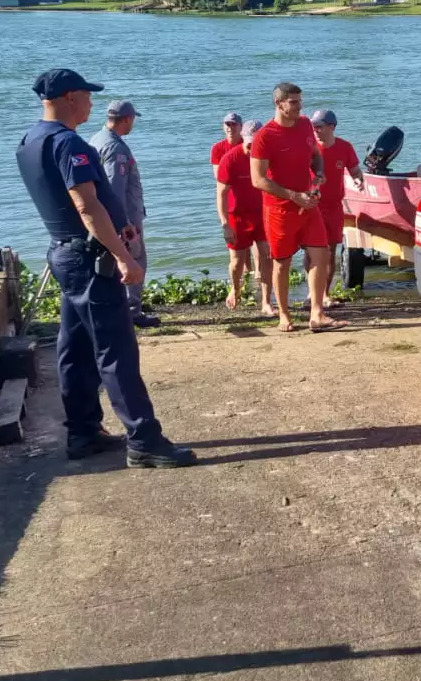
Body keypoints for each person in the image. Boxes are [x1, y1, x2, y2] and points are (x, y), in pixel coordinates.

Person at [15, 69, 196, 468]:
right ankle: (144, 439)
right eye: (86, 96)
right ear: (68, 98)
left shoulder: (30, 140)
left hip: (63, 251)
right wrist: (123, 257)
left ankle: (83, 432)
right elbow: (87, 205)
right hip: (89, 257)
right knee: (117, 349)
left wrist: (119, 221)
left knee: (75, 346)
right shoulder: (68, 144)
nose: (92, 103)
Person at [250, 83, 346, 333]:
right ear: (279, 104)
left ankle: (317, 313)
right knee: (282, 263)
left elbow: (315, 153)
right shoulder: (265, 136)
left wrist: (320, 172)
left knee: (321, 253)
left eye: (299, 101)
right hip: (279, 210)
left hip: (309, 204)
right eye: (293, 102)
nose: (299, 106)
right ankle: (284, 314)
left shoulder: (304, 124)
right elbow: (258, 179)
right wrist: (293, 196)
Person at [89, 100, 159, 328]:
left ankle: (123, 307)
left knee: (115, 264)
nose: (133, 125)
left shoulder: (97, 139)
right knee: (136, 260)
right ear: (127, 119)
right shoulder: (116, 148)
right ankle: (132, 312)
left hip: (111, 217)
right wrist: (124, 223)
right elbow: (115, 188)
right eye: (133, 120)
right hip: (125, 218)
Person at [216, 119, 275, 315]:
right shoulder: (230, 159)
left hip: (263, 213)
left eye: (257, 144)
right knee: (237, 262)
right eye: (250, 144)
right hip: (238, 216)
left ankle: (266, 302)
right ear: (244, 139)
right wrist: (225, 224)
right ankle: (236, 288)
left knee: (267, 254)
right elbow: (221, 194)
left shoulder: (268, 157)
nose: (252, 149)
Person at [309, 109, 363, 311]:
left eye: (320, 126)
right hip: (312, 206)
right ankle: (312, 293)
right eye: (314, 126)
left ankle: (325, 294)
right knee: (313, 251)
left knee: (330, 251)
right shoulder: (310, 148)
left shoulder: (344, 147)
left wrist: (359, 181)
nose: (316, 130)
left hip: (334, 207)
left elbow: (355, 171)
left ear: (331, 127)